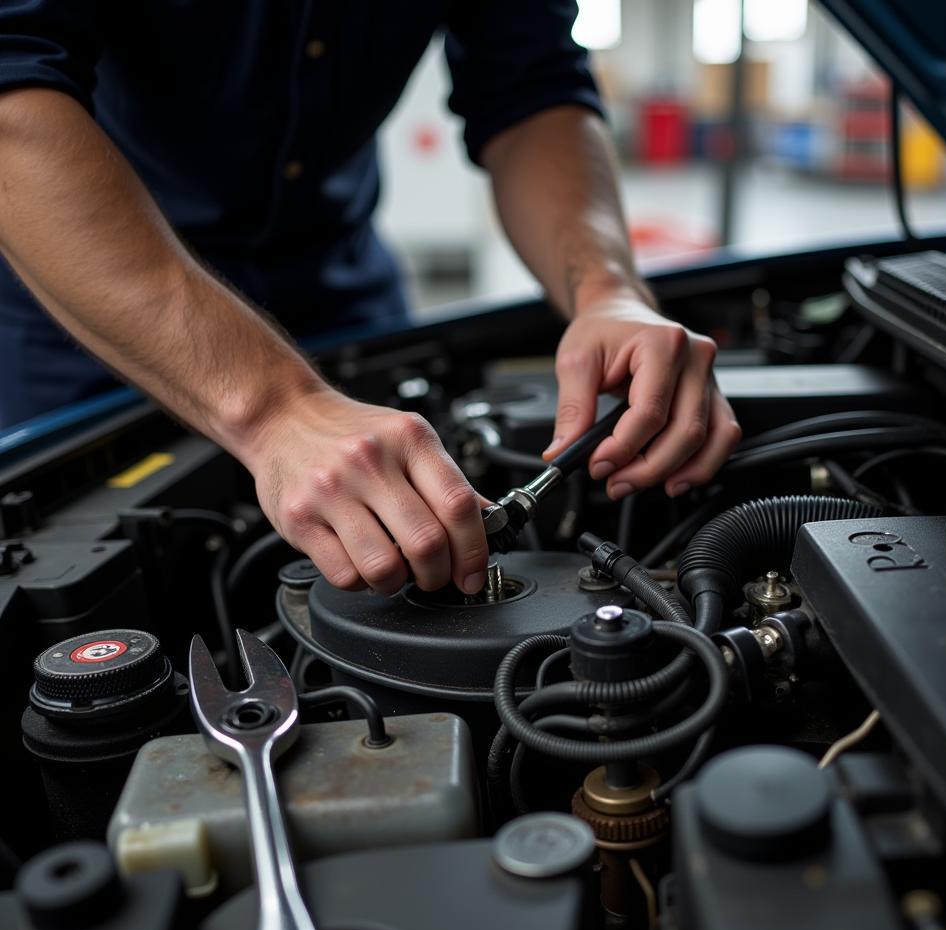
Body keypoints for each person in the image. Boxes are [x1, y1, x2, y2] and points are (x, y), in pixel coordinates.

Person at [0, 2, 740, 596]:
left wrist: (610, 290)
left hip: (342, 300)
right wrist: (274, 408)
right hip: (87, 327)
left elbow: (533, 87)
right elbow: (12, 96)